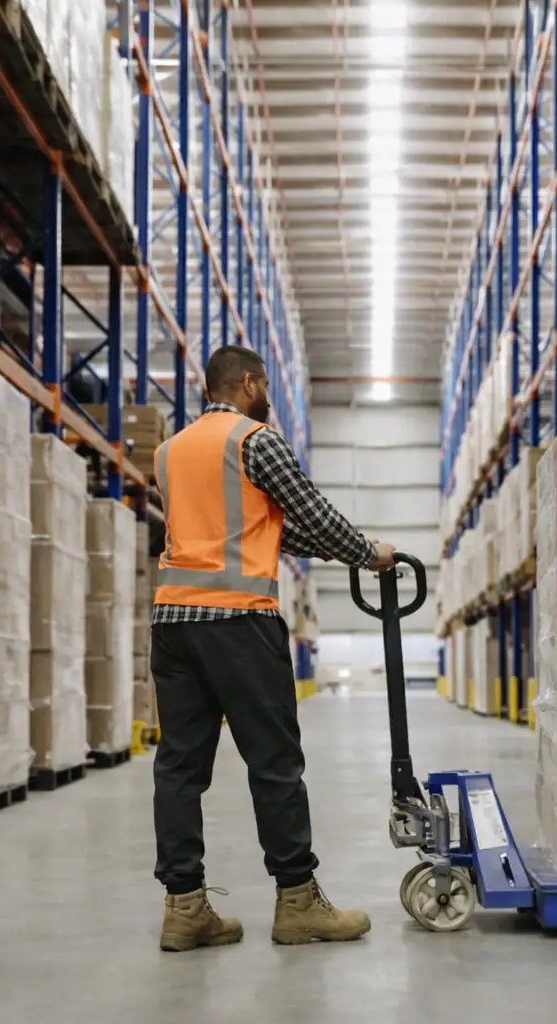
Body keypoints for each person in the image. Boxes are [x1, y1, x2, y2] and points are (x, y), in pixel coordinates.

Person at [150, 345, 395, 953]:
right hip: (238, 621)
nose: (269, 399)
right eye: (265, 387)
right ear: (250, 383)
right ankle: (297, 901)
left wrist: (331, 544)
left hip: (173, 622)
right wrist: (369, 553)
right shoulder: (254, 441)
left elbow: (284, 527)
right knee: (275, 763)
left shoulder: (168, 452)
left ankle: (184, 909)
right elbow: (314, 513)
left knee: (180, 767)